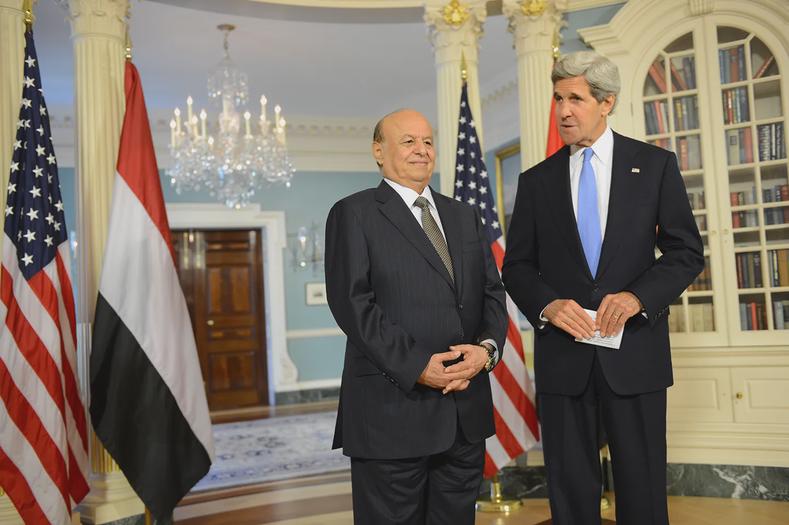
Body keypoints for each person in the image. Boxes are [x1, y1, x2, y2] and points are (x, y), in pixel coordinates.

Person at [502, 51, 704, 524]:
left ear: (607, 102)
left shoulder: (654, 166)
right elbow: (516, 268)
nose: (563, 110)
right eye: (557, 98)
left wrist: (638, 297)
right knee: (570, 495)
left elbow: (686, 253)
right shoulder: (535, 182)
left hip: (634, 355)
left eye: (575, 98)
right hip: (564, 360)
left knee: (643, 489)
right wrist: (548, 305)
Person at [325, 108, 508, 525]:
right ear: (378, 150)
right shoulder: (354, 213)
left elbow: (491, 294)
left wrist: (486, 352)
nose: (422, 150)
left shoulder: (464, 215)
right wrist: (417, 366)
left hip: (465, 411)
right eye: (408, 141)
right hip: (392, 413)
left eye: (427, 141)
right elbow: (353, 306)